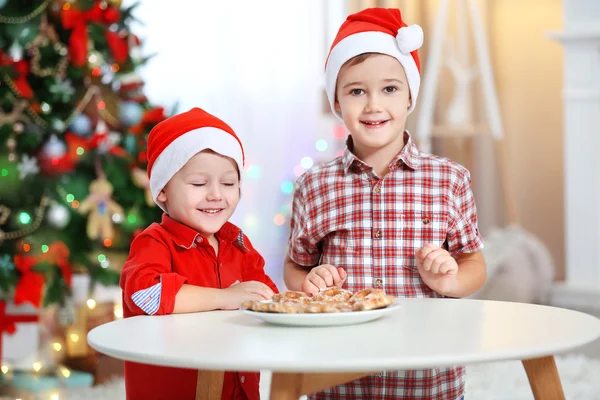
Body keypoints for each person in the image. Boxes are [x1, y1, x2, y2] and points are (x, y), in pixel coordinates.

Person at [284, 8, 486, 399]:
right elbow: (296, 265)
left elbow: (473, 262)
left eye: (390, 89)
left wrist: (451, 279)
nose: (374, 105)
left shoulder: (450, 179)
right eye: (357, 91)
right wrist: (308, 282)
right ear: (337, 102)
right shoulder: (314, 185)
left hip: (426, 376)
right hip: (337, 378)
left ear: (410, 95)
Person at [120, 107, 277, 400]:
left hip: (239, 391)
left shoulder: (239, 245)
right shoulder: (154, 242)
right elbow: (145, 295)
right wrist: (224, 298)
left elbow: (266, 297)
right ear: (163, 190)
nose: (216, 194)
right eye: (199, 183)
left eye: (228, 183)